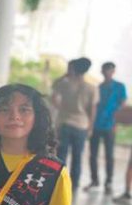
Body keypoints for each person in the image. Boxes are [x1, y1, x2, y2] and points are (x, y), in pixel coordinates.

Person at [51, 57, 96, 191]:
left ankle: (58, 182)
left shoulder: (65, 84)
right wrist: (90, 127)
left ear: (74, 68)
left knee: (61, 155)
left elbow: (53, 92)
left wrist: (61, 108)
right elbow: (92, 109)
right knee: (77, 156)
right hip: (81, 125)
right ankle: (74, 184)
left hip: (64, 123)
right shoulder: (91, 88)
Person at [85, 62, 126, 193]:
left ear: (113, 71)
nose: (107, 73)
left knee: (109, 155)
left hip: (110, 125)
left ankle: (108, 182)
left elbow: (123, 103)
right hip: (96, 125)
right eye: (104, 70)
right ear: (102, 72)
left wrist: (116, 120)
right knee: (93, 154)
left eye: (109, 70)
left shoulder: (119, 87)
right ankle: (94, 180)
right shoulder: (99, 87)